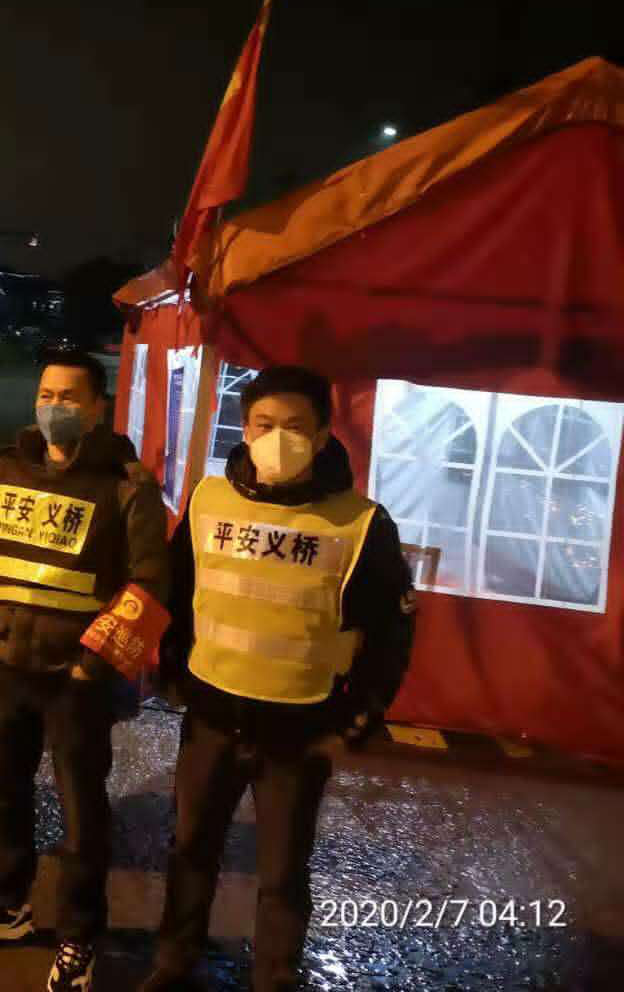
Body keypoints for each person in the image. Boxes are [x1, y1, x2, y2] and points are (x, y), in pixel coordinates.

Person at [141, 366, 415, 992]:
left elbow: (390, 634)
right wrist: (174, 675)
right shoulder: (208, 501)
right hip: (211, 720)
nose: (278, 438)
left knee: (283, 872)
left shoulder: (360, 523)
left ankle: (275, 977)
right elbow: (178, 593)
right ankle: (174, 963)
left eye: (295, 426)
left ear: (322, 436)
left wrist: (358, 719)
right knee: (190, 850)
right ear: (244, 428)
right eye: (264, 424)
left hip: (299, 731)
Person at [0, 347, 170, 992]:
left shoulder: (127, 485)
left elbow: (149, 585)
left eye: (69, 397)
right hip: (4, 665)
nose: (54, 407)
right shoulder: (6, 469)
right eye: (46, 395)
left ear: (99, 408)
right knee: (1, 796)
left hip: (76, 681)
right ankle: (7, 903)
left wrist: (90, 666)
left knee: (82, 815)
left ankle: (79, 936)